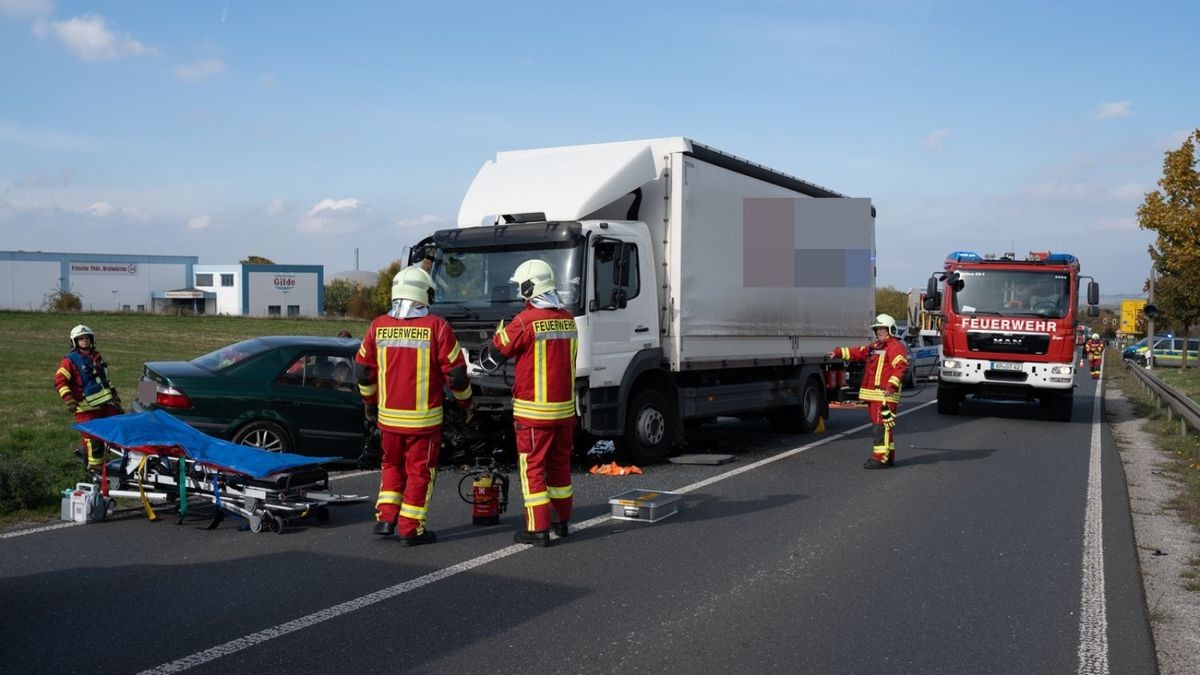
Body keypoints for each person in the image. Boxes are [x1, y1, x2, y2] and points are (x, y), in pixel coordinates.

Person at [356, 265, 473, 546]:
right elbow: (455, 374)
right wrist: (466, 403)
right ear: (425, 294)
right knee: (420, 472)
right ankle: (411, 529)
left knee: (391, 466)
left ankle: (385, 519)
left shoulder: (378, 326)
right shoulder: (436, 326)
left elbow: (363, 371)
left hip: (388, 421)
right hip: (423, 422)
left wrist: (369, 404)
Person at [479, 259, 578, 547]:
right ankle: (561, 521)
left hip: (533, 412)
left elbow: (493, 357)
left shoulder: (525, 321)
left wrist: (498, 336)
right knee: (559, 467)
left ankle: (537, 529)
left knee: (532, 467)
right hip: (564, 411)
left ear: (529, 288)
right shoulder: (568, 318)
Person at [827, 314, 909, 469]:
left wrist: (890, 387)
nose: (879, 332)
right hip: (874, 395)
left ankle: (880, 458)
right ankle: (888, 455)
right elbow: (859, 352)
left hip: (884, 395)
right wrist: (837, 353)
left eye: (882, 329)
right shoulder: (876, 346)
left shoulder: (895, 347)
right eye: (877, 329)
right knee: (884, 427)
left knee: (881, 426)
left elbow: (900, 368)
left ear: (891, 329)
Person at [54, 325, 123, 470]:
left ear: (91, 339)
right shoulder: (69, 361)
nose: (84, 340)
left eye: (86, 337)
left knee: (119, 426)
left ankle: (89, 453)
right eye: (80, 338)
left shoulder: (96, 357)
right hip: (86, 409)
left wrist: (114, 397)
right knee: (94, 439)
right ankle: (96, 470)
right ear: (75, 341)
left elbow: (104, 380)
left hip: (104, 405)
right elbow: (60, 380)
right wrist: (68, 399)